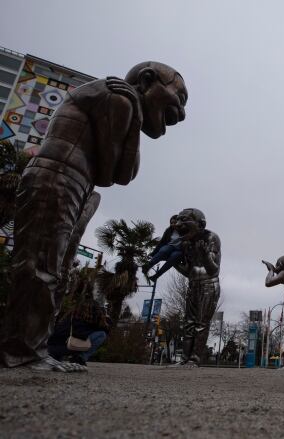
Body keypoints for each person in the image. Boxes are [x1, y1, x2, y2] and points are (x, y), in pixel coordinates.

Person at [0, 61, 187, 372]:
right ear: (148, 79)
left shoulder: (124, 102)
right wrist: (135, 117)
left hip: (73, 181)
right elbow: (118, 173)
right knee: (40, 266)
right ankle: (22, 352)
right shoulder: (120, 98)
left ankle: (35, 349)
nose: (180, 113)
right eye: (179, 98)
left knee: (53, 268)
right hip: (60, 175)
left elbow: (116, 172)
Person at [172, 208, 220, 366]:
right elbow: (189, 271)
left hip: (208, 285)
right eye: (178, 220)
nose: (178, 224)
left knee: (201, 324)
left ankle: (194, 359)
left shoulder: (211, 237)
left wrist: (205, 254)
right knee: (188, 323)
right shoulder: (186, 242)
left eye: (183, 220)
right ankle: (184, 359)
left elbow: (213, 269)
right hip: (193, 285)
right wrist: (173, 263)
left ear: (200, 224)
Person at [47, 299, 110, 366]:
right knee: (101, 334)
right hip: (69, 347)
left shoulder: (69, 318)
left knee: (72, 338)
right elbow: (106, 330)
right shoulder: (89, 322)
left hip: (52, 349)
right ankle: (80, 358)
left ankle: (58, 357)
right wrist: (103, 318)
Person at [143, 215, 186, 282]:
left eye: (175, 222)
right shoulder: (169, 230)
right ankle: (148, 266)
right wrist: (153, 253)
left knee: (173, 258)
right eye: (171, 223)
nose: (173, 224)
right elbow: (162, 242)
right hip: (170, 246)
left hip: (179, 250)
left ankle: (156, 276)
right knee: (164, 250)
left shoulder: (185, 229)